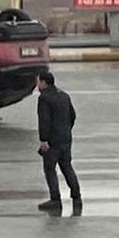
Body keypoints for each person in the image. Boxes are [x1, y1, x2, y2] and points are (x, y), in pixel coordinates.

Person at [36, 70, 82, 212]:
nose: (37, 84)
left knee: (50, 169)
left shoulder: (44, 98)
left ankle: (55, 199)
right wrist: (66, 131)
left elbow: (44, 120)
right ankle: (76, 196)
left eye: (38, 81)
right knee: (67, 166)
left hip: (52, 141)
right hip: (66, 138)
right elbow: (72, 116)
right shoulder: (64, 96)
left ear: (44, 82)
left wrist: (44, 139)